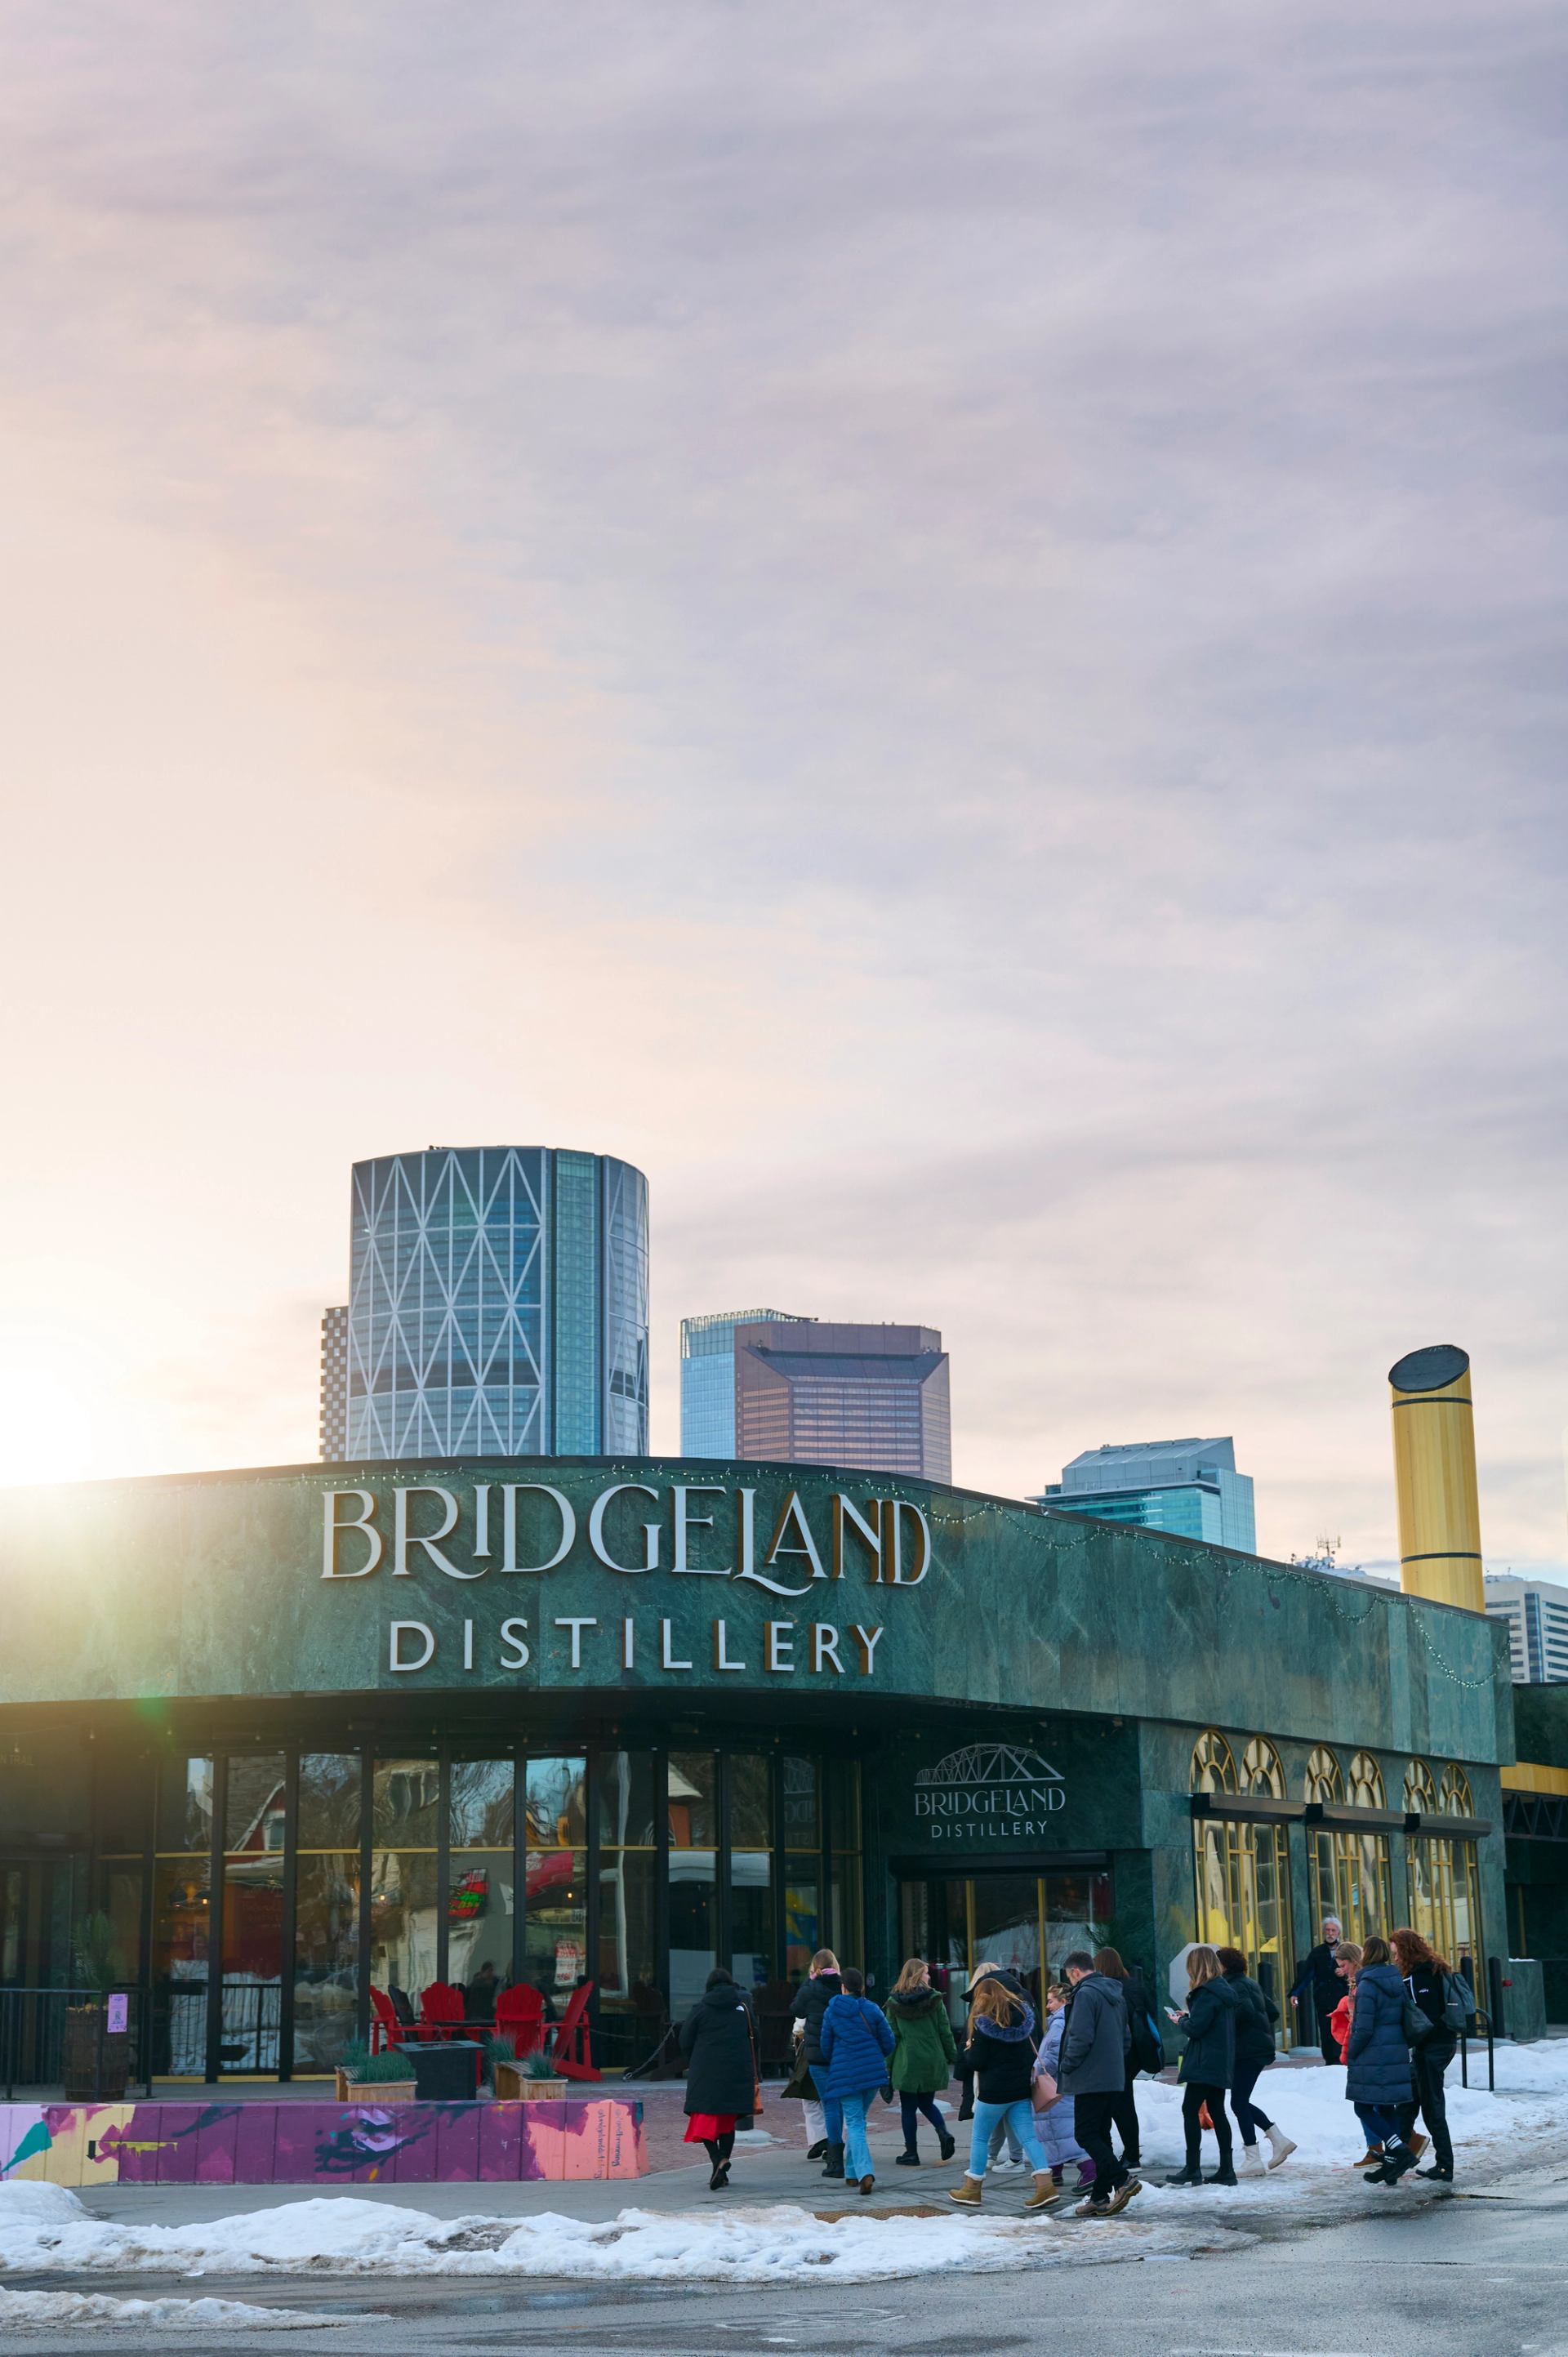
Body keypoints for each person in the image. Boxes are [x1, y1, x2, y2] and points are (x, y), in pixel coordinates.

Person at [947, 1974, 1058, 2211]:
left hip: (993, 2092)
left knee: (979, 2138)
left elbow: (977, 2062)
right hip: (1020, 2090)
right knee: (1028, 2137)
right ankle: (1045, 2186)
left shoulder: (983, 2025)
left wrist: (968, 2050)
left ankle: (972, 2189)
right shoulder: (1024, 2021)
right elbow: (1030, 2054)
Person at [1057, 1949, 1139, 2216]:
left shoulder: (1086, 1994)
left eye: (1070, 1978)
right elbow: (1126, 2039)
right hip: (1113, 2076)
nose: (1071, 1983)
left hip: (1090, 2078)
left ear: (1075, 1972)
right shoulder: (1115, 1993)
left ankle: (1121, 2179)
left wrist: (1066, 2066)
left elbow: (1080, 2037)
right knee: (1101, 2135)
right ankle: (1100, 2196)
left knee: (1085, 2133)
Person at [1344, 1935, 1420, 2185]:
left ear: (1366, 1955)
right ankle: (1392, 2164)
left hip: (1373, 2055)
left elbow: (1364, 2028)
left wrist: (1352, 2051)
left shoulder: (1367, 1985)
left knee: (1362, 2107)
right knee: (1386, 2107)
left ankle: (1399, 2151)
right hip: (1394, 2051)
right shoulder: (1395, 1980)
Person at [1164, 1945, 1241, 2186]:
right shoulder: (1223, 1990)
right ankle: (1227, 2170)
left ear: (1196, 1968)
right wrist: (1188, 2017)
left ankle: (1192, 2168)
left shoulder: (1206, 1993)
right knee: (1218, 2111)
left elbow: (1197, 2029)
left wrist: (1181, 2021)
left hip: (1204, 2061)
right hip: (1219, 2061)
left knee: (1190, 2109)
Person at [1216, 1946, 1295, 2174]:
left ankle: (1254, 2159)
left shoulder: (1233, 1986)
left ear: (1224, 1966)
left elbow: (1246, 2012)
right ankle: (1277, 2141)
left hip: (1247, 2052)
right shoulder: (1250, 1983)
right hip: (1257, 2050)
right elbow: (1272, 2012)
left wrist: (1227, 2023)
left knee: (1238, 2102)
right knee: (1240, 2101)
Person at [679, 1967, 759, 2191]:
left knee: (702, 2121)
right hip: (737, 2072)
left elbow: (685, 2039)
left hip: (706, 2073)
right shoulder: (742, 2008)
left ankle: (718, 2160)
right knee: (727, 2122)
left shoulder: (700, 2009)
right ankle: (720, 2168)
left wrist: (694, 2060)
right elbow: (756, 2038)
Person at [819, 1966, 895, 2195]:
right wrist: (873, 2057)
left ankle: (864, 2173)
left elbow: (825, 2046)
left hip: (845, 2074)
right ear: (861, 1987)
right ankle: (852, 2172)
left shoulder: (831, 2011)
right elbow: (889, 2042)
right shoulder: (872, 2009)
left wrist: (840, 2059)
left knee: (854, 2123)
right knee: (858, 2121)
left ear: (843, 1987)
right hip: (871, 2074)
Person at [1391, 1927, 1459, 2182]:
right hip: (1430, 2046)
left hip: (1433, 2047)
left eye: (1397, 1953)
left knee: (1431, 2106)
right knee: (1407, 2103)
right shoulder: (1428, 1969)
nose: (1395, 1959)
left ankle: (1444, 2166)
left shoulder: (1423, 1974)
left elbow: (1427, 2015)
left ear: (1407, 1951)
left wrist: (1406, 2034)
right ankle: (1397, 2158)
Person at [887, 1957, 958, 2165]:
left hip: (907, 2060)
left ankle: (911, 2152)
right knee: (927, 2103)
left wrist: (888, 2067)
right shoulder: (935, 2000)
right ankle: (943, 2133)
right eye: (926, 1972)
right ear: (918, 1975)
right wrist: (953, 2057)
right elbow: (945, 2031)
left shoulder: (893, 2004)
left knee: (908, 2107)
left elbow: (893, 2037)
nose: (929, 1975)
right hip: (931, 2058)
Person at [1093, 1945, 1157, 2172]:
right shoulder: (1135, 1987)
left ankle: (1130, 2156)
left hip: (1119, 2052)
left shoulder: (1110, 1990)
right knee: (1124, 2103)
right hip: (1137, 2053)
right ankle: (1130, 2153)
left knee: (1119, 2105)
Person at [1032, 1982, 1094, 2193]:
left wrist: (1039, 2070)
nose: (1047, 2005)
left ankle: (1089, 2169)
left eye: (1051, 2001)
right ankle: (1054, 2169)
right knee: (1055, 2130)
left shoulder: (1059, 2023)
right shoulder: (1065, 2020)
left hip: (1055, 2084)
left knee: (1060, 2130)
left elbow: (1054, 2053)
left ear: (1063, 2002)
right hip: (1064, 2084)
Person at [789, 1948, 842, 2170]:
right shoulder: (843, 1984)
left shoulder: (810, 1988)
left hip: (816, 2052)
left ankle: (825, 2142)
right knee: (838, 2101)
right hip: (840, 2051)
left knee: (815, 2101)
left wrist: (809, 1986)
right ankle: (836, 2144)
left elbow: (797, 2010)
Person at [1289, 1917, 1346, 2062]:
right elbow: (1306, 1975)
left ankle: (1342, 2058)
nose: (1330, 1933)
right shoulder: (1317, 1952)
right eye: (1327, 1930)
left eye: (1333, 1930)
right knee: (1326, 2031)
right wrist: (1295, 1993)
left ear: (1339, 1933)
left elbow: (1357, 1968)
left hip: (1342, 1999)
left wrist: (1344, 1973)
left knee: (1341, 2029)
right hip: (1323, 1999)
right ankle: (1330, 2060)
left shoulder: (1345, 1950)